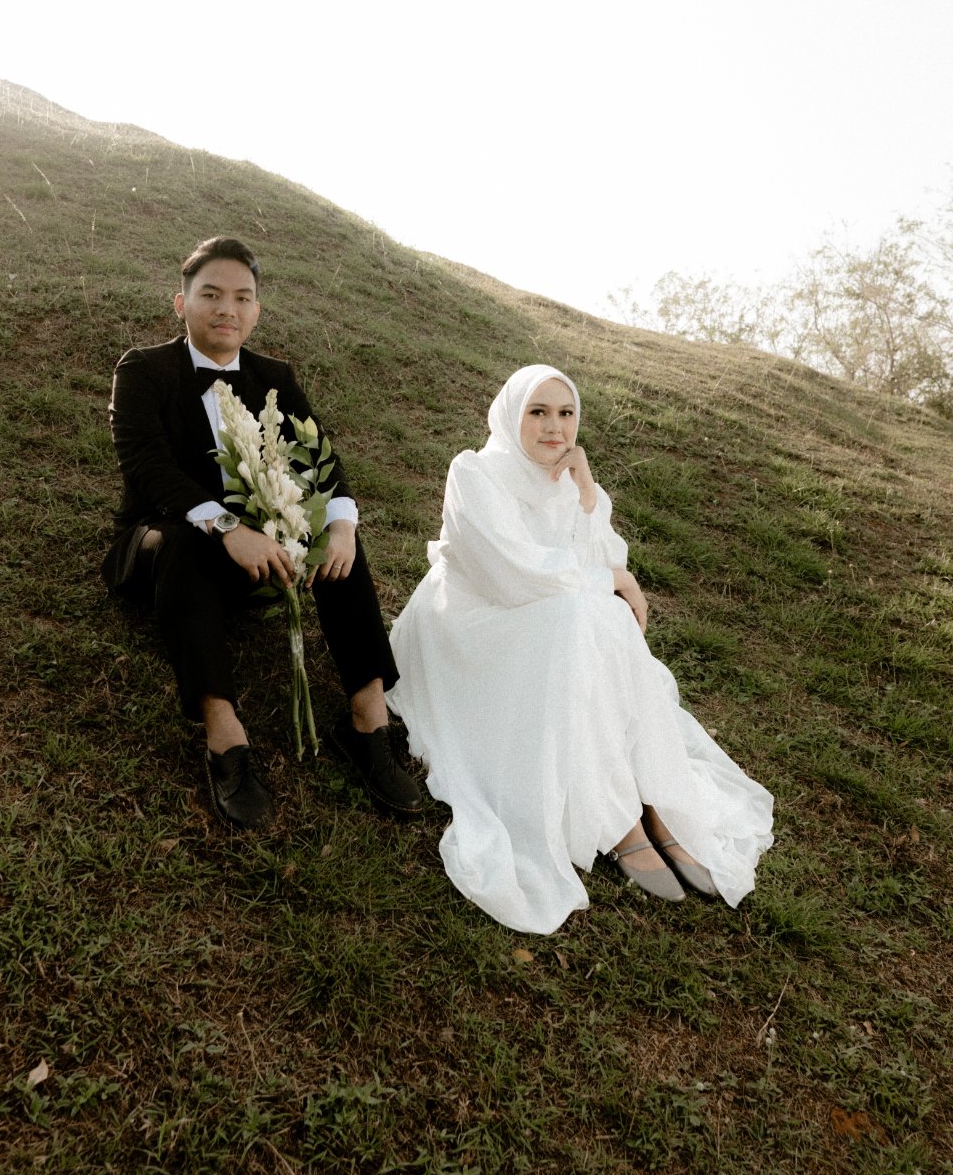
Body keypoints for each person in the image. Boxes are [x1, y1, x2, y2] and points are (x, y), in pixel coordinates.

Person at [386, 365, 773, 935]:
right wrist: (612, 579)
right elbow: (510, 574)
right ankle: (618, 820)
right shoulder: (474, 472)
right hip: (472, 620)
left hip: (550, 613)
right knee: (577, 614)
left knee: (596, 616)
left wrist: (587, 496)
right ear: (511, 415)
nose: (554, 427)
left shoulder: (574, 483)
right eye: (538, 412)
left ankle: (651, 797)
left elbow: (598, 561)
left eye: (565, 414)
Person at [102, 235, 423, 830]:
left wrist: (342, 525)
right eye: (211, 295)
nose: (227, 308)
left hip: (255, 556)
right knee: (183, 541)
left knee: (335, 541)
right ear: (181, 303)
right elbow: (147, 468)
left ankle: (367, 722)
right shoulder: (143, 369)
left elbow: (321, 457)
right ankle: (225, 736)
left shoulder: (274, 375)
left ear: (256, 310)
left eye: (242, 298)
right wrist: (227, 527)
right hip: (162, 549)